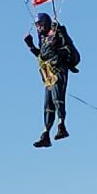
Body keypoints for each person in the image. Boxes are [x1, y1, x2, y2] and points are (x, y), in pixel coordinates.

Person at [24, 12, 80, 148]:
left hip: (59, 70)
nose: (39, 28)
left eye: (40, 25)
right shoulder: (43, 39)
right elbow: (43, 56)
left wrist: (58, 49)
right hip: (48, 74)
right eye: (37, 25)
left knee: (57, 97)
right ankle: (46, 133)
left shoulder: (57, 33)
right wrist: (31, 46)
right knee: (48, 104)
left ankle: (61, 125)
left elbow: (68, 50)